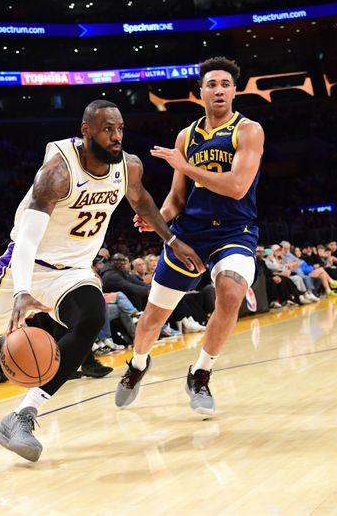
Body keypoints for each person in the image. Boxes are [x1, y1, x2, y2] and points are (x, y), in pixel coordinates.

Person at [0, 99, 204, 461]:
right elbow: (27, 240)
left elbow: (141, 201)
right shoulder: (57, 172)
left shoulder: (129, 167)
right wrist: (22, 292)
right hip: (29, 265)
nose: (116, 137)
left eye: (120, 129)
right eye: (107, 130)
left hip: (75, 270)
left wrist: (171, 240)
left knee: (92, 317)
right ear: (86, 130)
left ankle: (23, 415)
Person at [113, 56, 264, 416]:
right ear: (200, 92)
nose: (219, 90)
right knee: (151, 320)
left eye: (225, 84)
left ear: (234, 91)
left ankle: (200, 373)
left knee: (230, 291)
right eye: (212, 84)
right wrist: (159, 219)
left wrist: (185, 165)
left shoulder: (248, 130)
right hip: (189, 235)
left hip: (234, 231)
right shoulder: (187, 136)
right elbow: (177, 197)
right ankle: (136, 365)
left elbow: (239, 186)